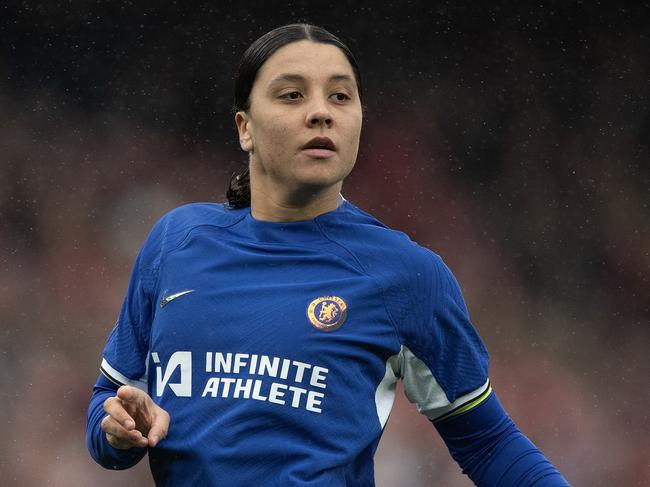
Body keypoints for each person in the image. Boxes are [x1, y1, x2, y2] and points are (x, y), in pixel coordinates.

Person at [86, 23, 571, 486]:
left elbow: (487, 441)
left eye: (340, 96)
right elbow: (108, 406)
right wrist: (119, 432)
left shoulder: (407, 275)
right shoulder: (176, 242)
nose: (321, 112)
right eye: (292, 94)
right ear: (244, 128)